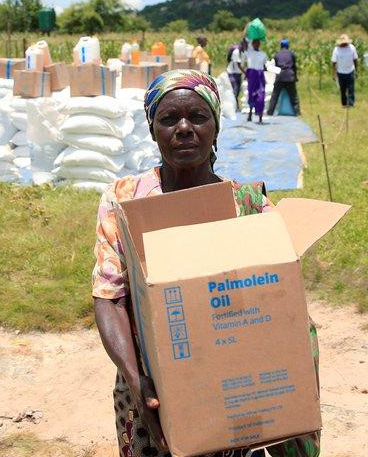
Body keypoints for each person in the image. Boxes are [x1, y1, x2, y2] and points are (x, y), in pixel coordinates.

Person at [92, 69, 321, 457]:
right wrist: (136, 381)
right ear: (152, 129)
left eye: (198, 117)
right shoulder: (125, 200)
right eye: (169, 119)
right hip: (149, 389)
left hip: (233, 392)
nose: (184, 129)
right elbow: (109, 296)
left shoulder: (246, 207)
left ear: (216, 127)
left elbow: (275, 304)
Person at [267, 38, 301, 116]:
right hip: (289, 77)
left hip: (280, 77)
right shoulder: (292, 54)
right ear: (288, 46)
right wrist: (295, 77)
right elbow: (294, 67)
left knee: (275, 96)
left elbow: (274, 67)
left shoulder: (277, 54)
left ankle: (270, 112)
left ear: (281, 46)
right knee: (294, 97)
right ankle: (297, 113)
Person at [331, 34, 358, 108]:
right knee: (343, 89)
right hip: (340, 72)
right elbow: (333, 62)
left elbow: (355, 59)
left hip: (350, 71)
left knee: (351, 88)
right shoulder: (336, 49)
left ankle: (351, 103)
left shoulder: (352, 48)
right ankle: (344, 104)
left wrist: (356, 70)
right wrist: (334, 74)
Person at [245, 39, 268, 123]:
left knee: (261, 96)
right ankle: (250, 114)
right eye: (254, 43)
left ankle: (260, 117)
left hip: (260, 76)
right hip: (252, 75)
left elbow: (266, 65)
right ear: (252, 44)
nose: (256, 45)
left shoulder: (263, 54)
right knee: (251, 95)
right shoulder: (249, 53)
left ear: (259, 44)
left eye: (258, 43)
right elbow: (244, 43)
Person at [226, 39, 246, 106]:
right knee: (235, 90)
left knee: (237, 91)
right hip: (232, 73)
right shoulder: (236, 52)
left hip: (238, 73)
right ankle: (234, 106)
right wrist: (246, 73)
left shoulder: (243, 52)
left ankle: (235, 105)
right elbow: (238, 64)